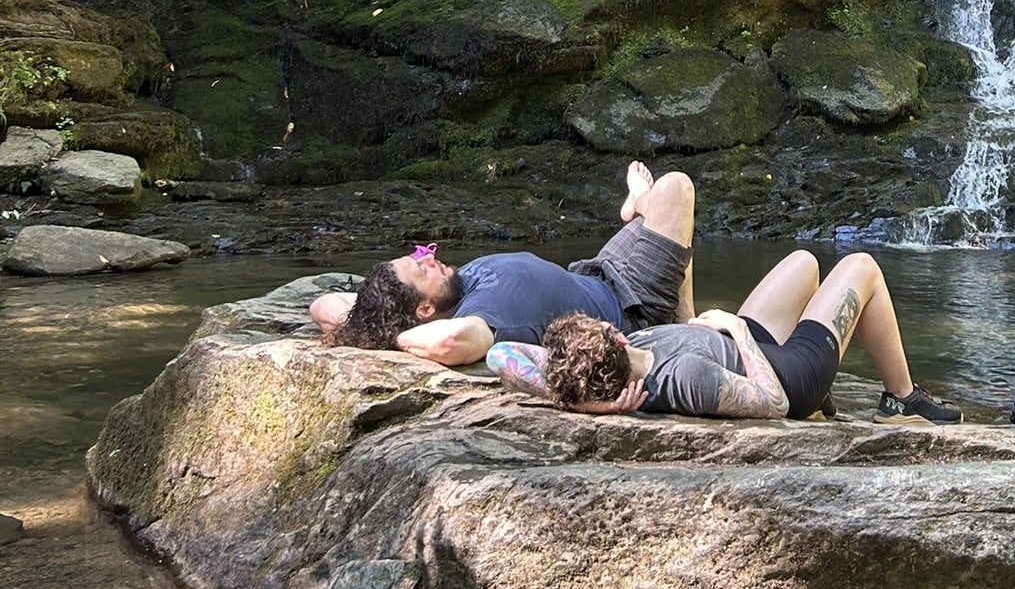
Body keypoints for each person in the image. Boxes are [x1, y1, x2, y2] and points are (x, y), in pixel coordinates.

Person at [313, 160, 694, 365]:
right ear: (425, 308)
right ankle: (684, 318)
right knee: (676, 188)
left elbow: (322, 305)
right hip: (633, 306)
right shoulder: (477, 321)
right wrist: (394, 340)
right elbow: (447, 341)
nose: (428, 255)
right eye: (420, 267)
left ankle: (640, 207)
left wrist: (371, 327)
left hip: (600, 271)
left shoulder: (449, 290)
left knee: (667, 215)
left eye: (418, 254)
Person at [540, 247, 961, 422]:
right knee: (862, 266)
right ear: (614, 340)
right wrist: (739, 331)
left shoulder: (629, 359)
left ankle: (834, 382)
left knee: (803, 262)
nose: (608, 323)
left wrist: (591, 406)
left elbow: (507, 357)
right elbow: (773, 403)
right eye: (604, 327)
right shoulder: (684, 376)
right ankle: (903, 400)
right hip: (789, 379)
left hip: (747, 349)